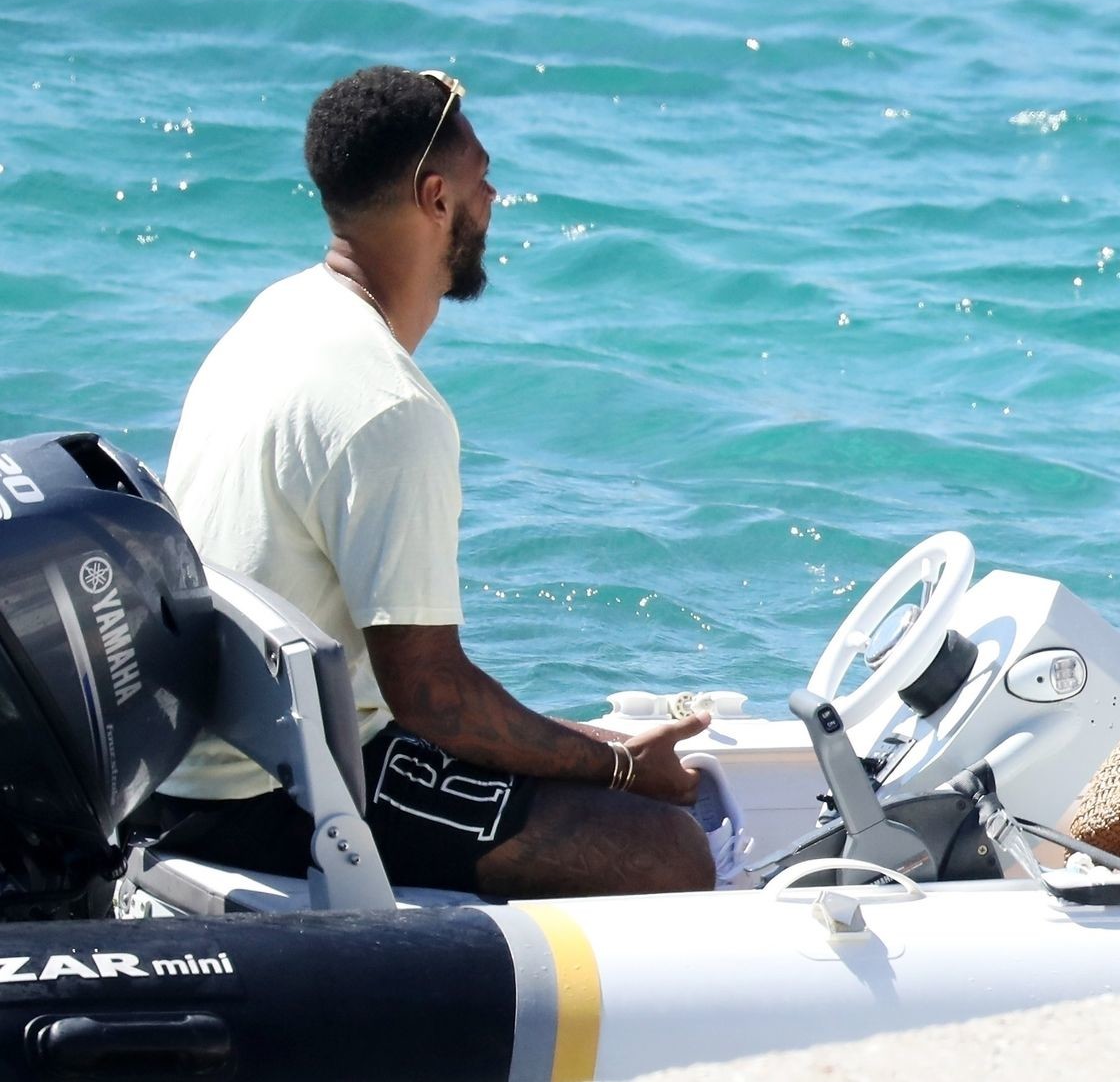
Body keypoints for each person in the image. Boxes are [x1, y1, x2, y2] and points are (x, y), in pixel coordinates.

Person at [138, 65, 715, 896]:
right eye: (482, 178)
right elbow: (431, 696)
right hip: (276, 801)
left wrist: (601, 752)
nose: (494, 199)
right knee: (668, 850)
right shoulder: (388, 408)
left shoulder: (278, 316)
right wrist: (620, 768)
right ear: (436, 197)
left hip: (203, 764)